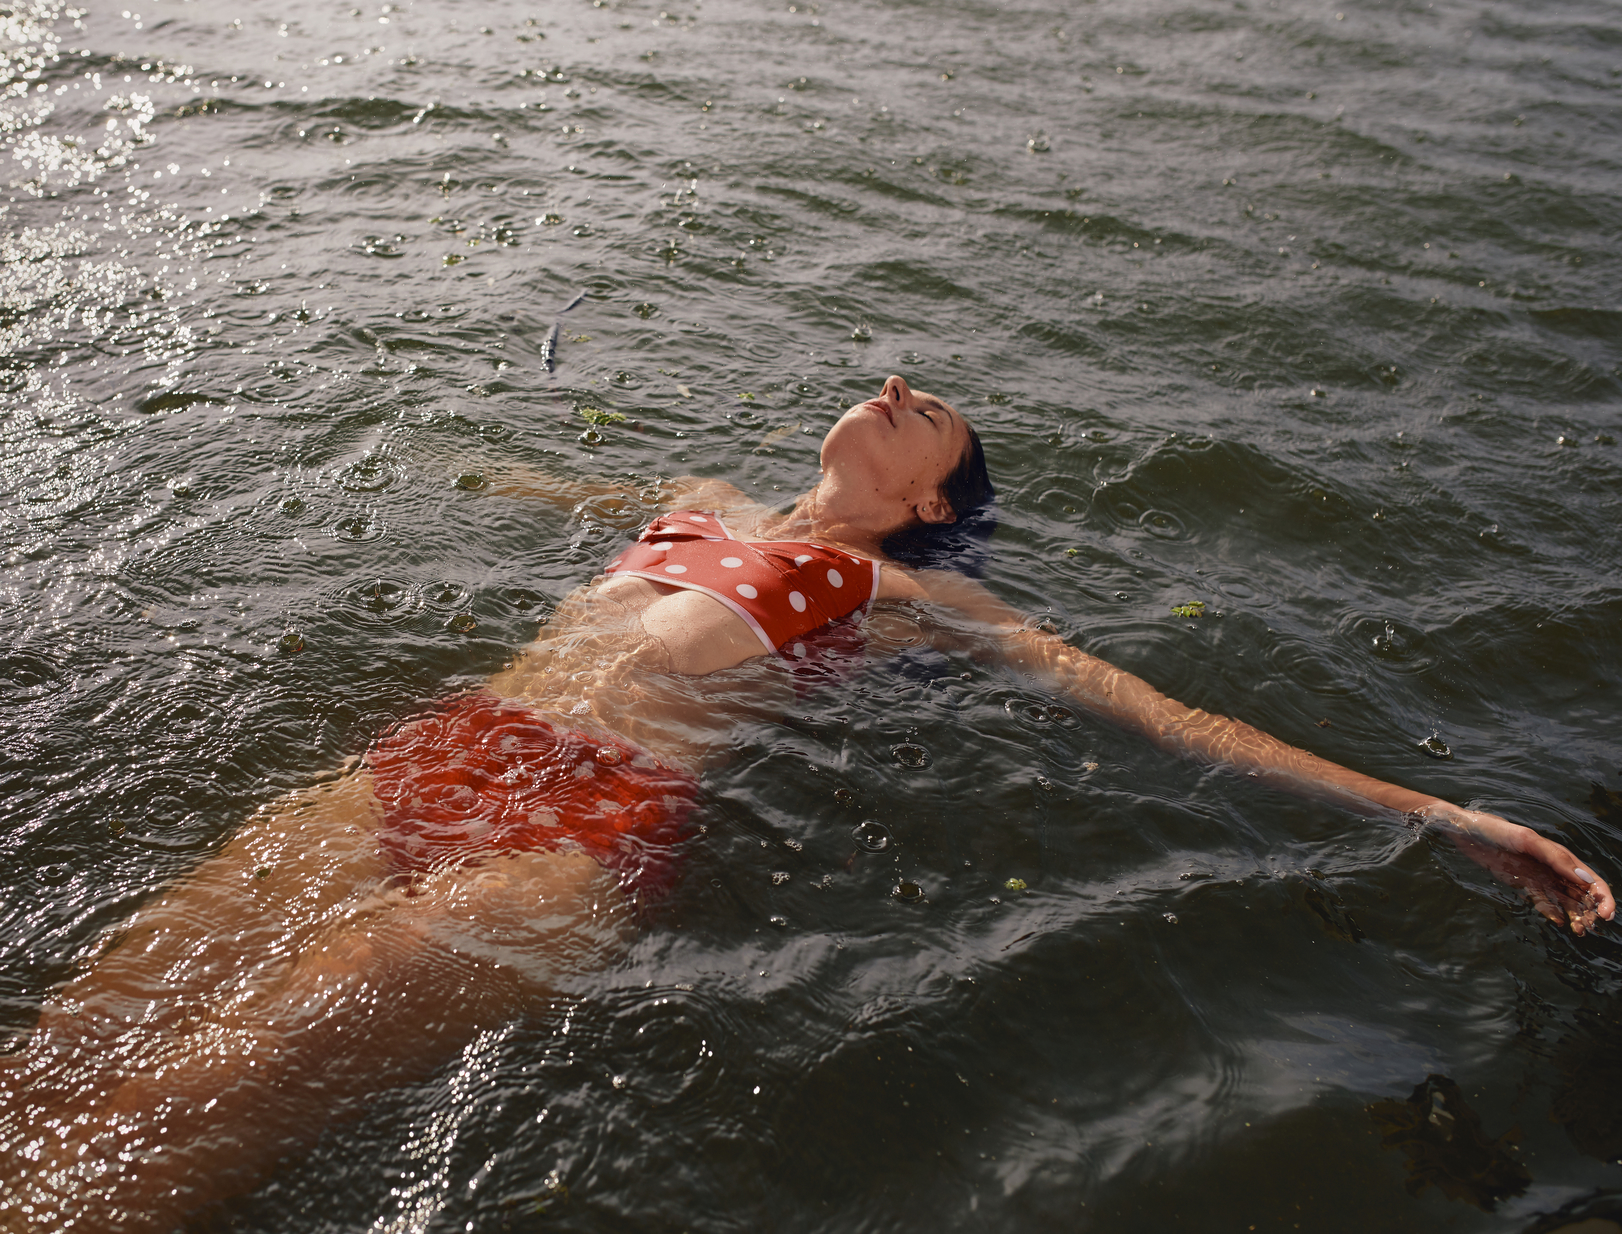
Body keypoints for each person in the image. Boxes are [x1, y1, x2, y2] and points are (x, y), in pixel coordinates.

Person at [0, 375, 1611, 1230]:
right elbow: (544, 490)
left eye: (933, 414)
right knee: (77, 1034)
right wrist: (430, 455)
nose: (900, 382)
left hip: (586, 831)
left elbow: (1163, 707)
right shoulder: (695, 502)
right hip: (436, 755)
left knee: (226, 1073)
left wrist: (1437, 810)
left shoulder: (910, 595)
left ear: (924, 502)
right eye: (895, 379)